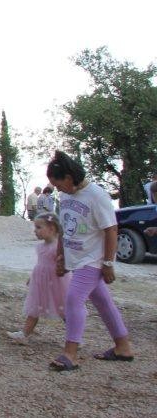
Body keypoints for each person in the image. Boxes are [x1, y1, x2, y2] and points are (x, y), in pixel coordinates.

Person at [46, 151, 134, 371]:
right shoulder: (66, 197)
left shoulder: (97, 195)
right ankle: (123, 347)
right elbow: (64, 228)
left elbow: (111, 229)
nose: (58, 189)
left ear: (69, 178)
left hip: (92, 260)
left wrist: (108, 263)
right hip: (77, 259)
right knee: (103, 302)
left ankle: (70, 354)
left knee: (73, 300)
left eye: (58, 184)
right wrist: (61, 256)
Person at [6, 212, 69, 344]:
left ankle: (74, 337)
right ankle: (24, 334)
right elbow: (40, 264)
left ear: (52, 229)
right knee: (34, 307)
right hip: (40, 282)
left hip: (57, 283)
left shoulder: (58, 246)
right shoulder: (40, 246)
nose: (35, 231)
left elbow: (63, 264)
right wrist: (32, 277)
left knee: (64, 308)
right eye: (35, 227)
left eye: (39, 227)